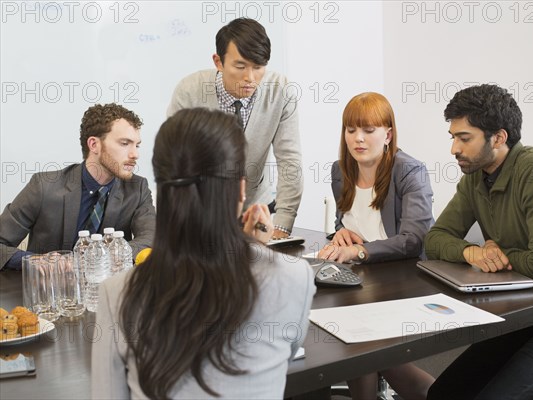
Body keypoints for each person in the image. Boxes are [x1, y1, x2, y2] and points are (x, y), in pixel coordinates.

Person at [91, 107, 316, 399]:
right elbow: (274, 365)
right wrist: (255, 251)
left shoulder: (117, 293)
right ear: (240, 191)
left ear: (163, 192)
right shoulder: (294, 277)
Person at [425, 84, 533, 400]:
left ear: (499, 137)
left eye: (464, 138)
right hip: (525, 317)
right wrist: (472, 252)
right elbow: (436, 238)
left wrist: (499, 252)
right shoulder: (475, 178)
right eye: (453, 137)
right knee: (443, 394)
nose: (454, 149)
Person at [318, 92, 435, 400]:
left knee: (361, 344)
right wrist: (341, 234)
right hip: (365, 279)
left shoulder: (409, 171)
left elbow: (415, 240)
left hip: (407, 280)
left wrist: (359, 251)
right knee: (352, 340)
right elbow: (348, 221)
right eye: (351, 130)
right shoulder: (340, 170)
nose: (358, 139)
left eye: (368, 130)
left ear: (388, 134)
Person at [167, 17, 302, 239]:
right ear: (218, 62)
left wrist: (283, 225)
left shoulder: (281, 91)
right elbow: (175, 161)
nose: (250, 78)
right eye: (240, 66)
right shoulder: (189, 92)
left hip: (258, 209)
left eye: (258, 67)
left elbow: (290, 159)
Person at [0, 103, 155, 270]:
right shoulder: (43, 186)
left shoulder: (137, 188)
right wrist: (35, 261)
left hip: (106, 291)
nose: (135, 154)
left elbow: (150, 238)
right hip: (52, 292)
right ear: (94, 145)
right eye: (125, 143)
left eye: (137, 145)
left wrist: (98, 258)